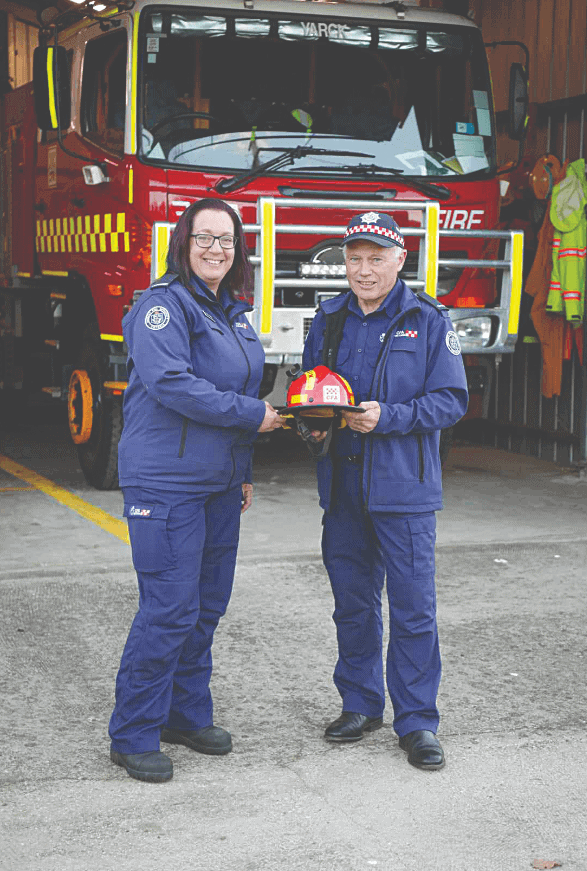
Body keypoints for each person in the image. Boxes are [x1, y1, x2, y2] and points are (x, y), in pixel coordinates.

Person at [109, 199, 284, 782]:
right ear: (183, 244)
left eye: (227, 240)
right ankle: (133, 730)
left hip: (217, 482)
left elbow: (239, 390)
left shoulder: (231, 313)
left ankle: (183, 714)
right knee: (170, 607)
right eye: (205, 238)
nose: (216, 248)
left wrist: (243, 471)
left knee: (206, 606)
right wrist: (254, 414)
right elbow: (173, 384)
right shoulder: (162, 307)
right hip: (165, 482)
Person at [301, 211, 468, 770]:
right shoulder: (327, 320)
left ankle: (417, 721)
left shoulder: (430, 320)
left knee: (414, 608)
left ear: (401, 260)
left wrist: (389, 416)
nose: (364, 270)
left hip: (405, 490)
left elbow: (451, 400)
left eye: (376, 258)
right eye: (354, 258)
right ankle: (360, 702)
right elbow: (311, 392)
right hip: (344, 488)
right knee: (352, 603)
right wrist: (313, 420)